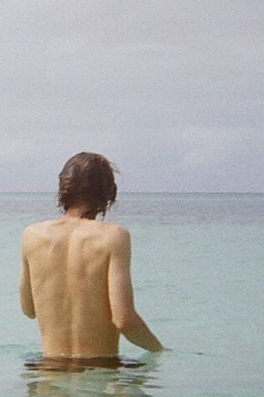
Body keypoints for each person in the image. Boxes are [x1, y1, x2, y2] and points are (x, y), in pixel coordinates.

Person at [20, 152, 164, 360]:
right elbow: (124, 320)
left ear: (63, 189)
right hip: (100, 370)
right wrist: (160, 351)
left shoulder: (31, 235)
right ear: (107, 194)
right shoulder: (114, 236)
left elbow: (29, 309)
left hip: (49, 369)